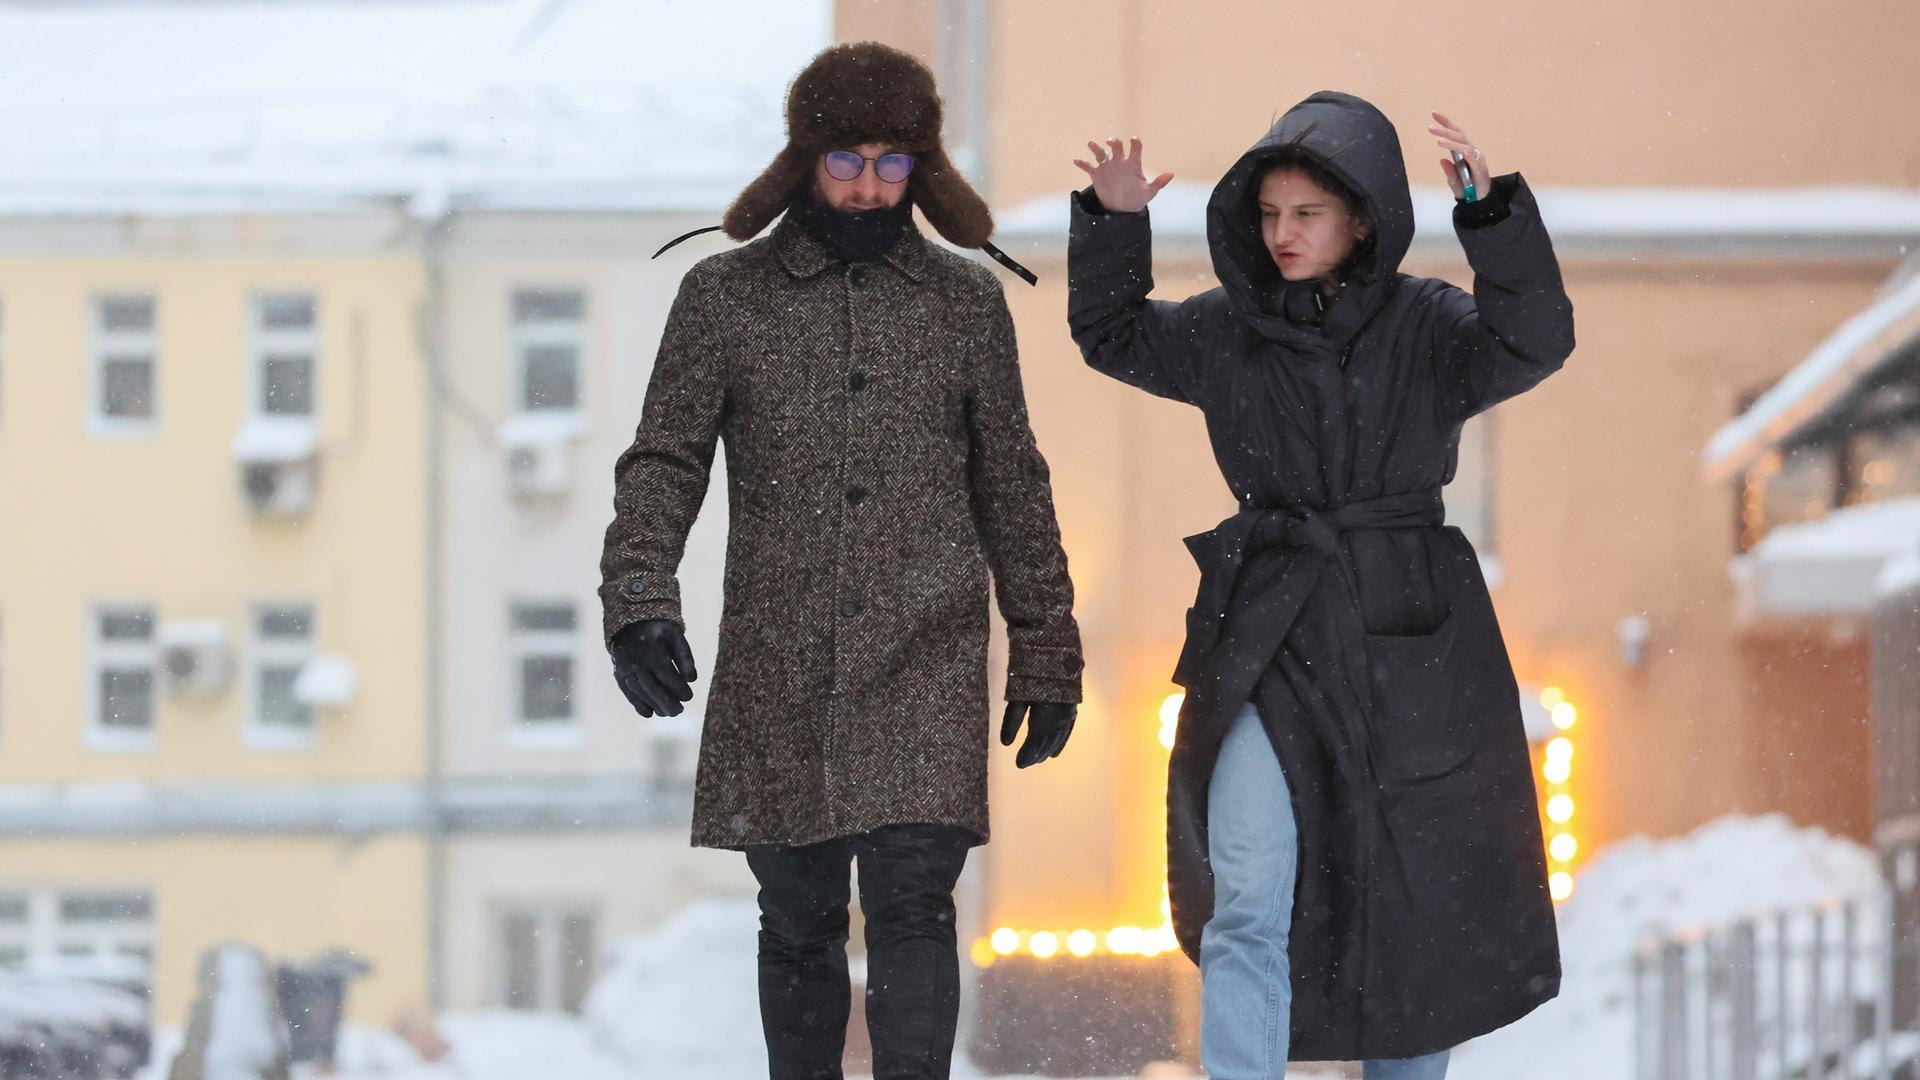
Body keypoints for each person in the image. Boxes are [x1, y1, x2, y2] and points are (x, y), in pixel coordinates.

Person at [599, 42, 1083, 1080]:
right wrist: (639, 600)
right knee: (800, 915)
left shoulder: (963, 304)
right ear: (803, 161)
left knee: (915, 900)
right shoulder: (725, 298)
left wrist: (1048, 646)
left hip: (928, 648)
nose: (869, 185)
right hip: (783, 655)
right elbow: (664, 461)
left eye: (893, 162)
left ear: (925, 170)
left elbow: (1013, 482)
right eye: (846, 160)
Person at [1068, 91, 1574, 1078]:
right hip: (1268, 632)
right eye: (1269, 214)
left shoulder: (1430, 325)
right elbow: (1114, 334)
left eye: (1307, 213)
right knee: (1248, 893)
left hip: (1410, 636)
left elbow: (1535, 341)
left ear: (1362, 218)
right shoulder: (1226, 331)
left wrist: (1491, 219)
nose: (1284, 234)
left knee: (1413, 901)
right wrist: (1114, 221)